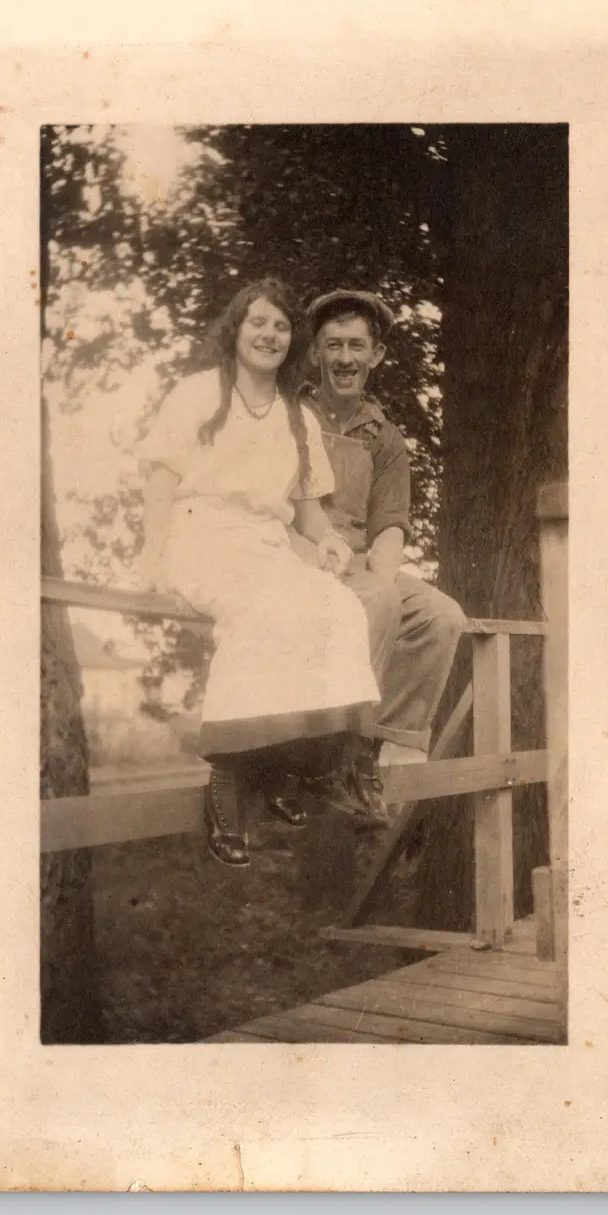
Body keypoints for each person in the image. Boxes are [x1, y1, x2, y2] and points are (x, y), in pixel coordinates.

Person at [137, 278, 380, 869]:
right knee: (260, 610)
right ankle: (227, 776)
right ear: (237, 329)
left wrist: (328, 542)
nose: (270, 335)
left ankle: (288, 763)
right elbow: (161, 480)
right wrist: (151, 559)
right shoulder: (198, 394)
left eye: (281, 326)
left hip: (267, 546)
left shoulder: (297, 417)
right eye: (258, 323)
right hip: (201, 537)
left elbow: (307, 510)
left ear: (292, 340)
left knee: (338, 608)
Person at [279, 288, 467, 822]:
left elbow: (389, 528)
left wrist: (378, 577)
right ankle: (327, 753)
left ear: (376, 355)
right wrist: (326, 562)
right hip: (295, 554)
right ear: (316, 353)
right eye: (333, 345)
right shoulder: (288, 418)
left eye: (356, 346)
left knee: (441, 616)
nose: (345, 359)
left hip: (357, 565)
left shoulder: (385, 437)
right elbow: (276, 509)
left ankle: (371, 747)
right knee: (373, 598)